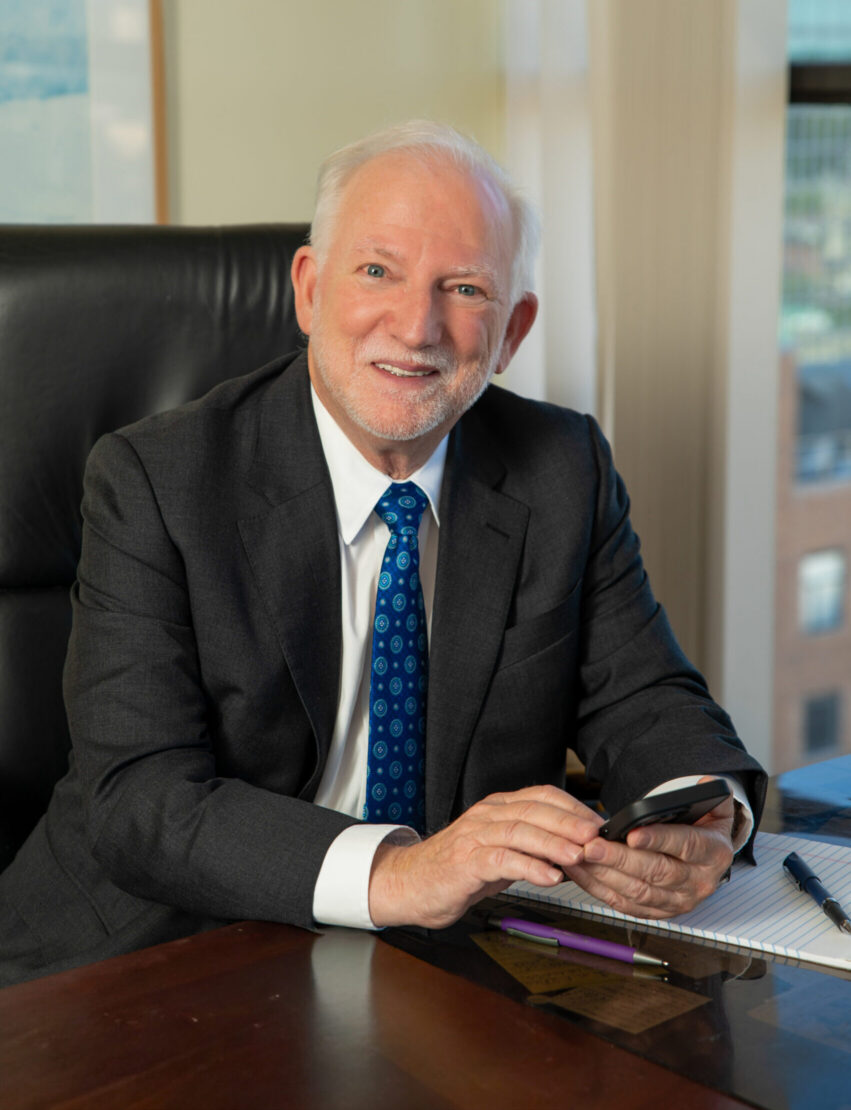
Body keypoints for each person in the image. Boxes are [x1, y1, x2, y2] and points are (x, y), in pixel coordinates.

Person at [0, 121, 765, 985]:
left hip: (436, 962)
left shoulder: (562, 467)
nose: (415, 326)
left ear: (511, 330)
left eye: (464, 288)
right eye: (377, 272)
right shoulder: (156, 480)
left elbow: (643, 694)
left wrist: (707, 816)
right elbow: (139, 803)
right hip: (159, 952)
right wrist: (400, 870)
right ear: (309, 289)